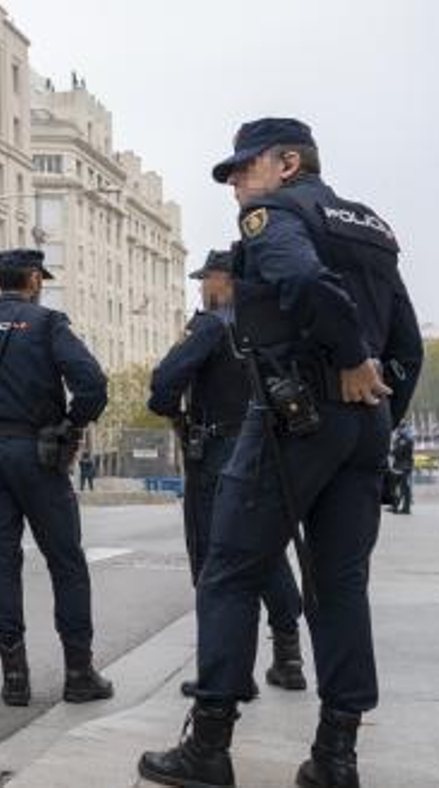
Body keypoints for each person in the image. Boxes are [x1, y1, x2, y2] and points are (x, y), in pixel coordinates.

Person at [140, 118, 421, 788]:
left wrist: (349, 360)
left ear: (287, 162)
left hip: (296, 417)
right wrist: (375, 407)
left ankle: (208, 747)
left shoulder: (275, 215)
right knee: (340, 585)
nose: (236, 184)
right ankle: (335, 757)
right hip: (363, 424)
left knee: (230, 570)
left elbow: (301, 279)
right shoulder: (372, 227)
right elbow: (408, 345)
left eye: (244, 168)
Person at [0, 248, 113, 708]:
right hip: (38, 453)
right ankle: (78, 674)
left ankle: (14, 679)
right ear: (32, 279)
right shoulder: (48, 324)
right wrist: (70, 427)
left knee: (1, 561)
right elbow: (92, 383)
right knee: (65, 561)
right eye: (42, 280)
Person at [148, 248, 306, 701]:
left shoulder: (211, 326)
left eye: (206, 280)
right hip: (269, 451)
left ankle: (225, 670)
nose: (200, 288)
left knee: (215, 562)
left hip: (218, 454)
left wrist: (171, 412)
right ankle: (289, 656)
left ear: (225, 282)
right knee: (265, 552)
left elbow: (164, 383)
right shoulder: (274, 325)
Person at [386, 421, 416, 515]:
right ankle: (395, 506)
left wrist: (391, 451)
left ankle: (406, 509)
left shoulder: (405, 440)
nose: (398, 430)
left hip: (403, 467)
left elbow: (397, 451)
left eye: (400, 428)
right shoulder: (400, 438)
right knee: (395, 487)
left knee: (404, 488)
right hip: (399, 466)